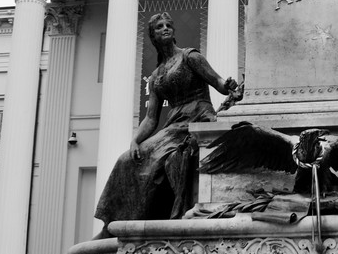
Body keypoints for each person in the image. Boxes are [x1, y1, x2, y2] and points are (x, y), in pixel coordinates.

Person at [94, 12, 239, 237]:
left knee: (168, 157)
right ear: (153, 35)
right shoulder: (155, 77)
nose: (165, 28)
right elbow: (151, 118)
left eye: (168, 25)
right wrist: (135, 140)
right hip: (175, 124)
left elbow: (217, 82)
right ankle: (114, 223)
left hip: (198, 117)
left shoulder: (190, 57)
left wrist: (229, 85)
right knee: (126, 159)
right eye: (160, 26)